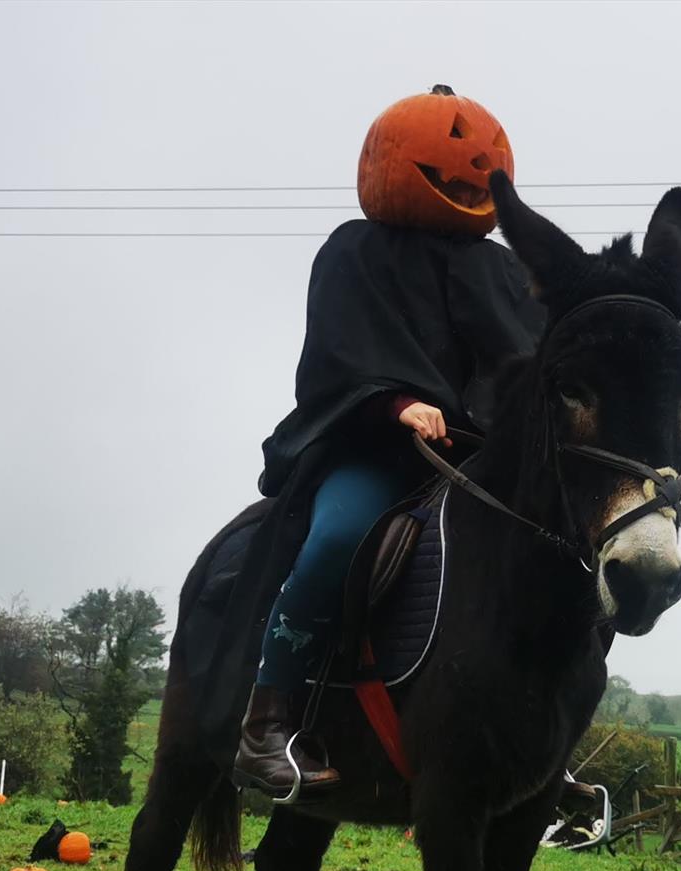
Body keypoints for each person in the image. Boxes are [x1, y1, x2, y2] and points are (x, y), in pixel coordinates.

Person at [232, 85, 544, 801]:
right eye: (453, 148)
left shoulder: (505, 271)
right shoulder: (356, 251)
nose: (473, 166)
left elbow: (522, 365)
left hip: (478, 461)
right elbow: (340, 353)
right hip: (377, 449)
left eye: (485, 159)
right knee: (338, 539)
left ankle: (547, 740)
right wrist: (399, 403)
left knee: (554, 551)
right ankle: (266, 723)